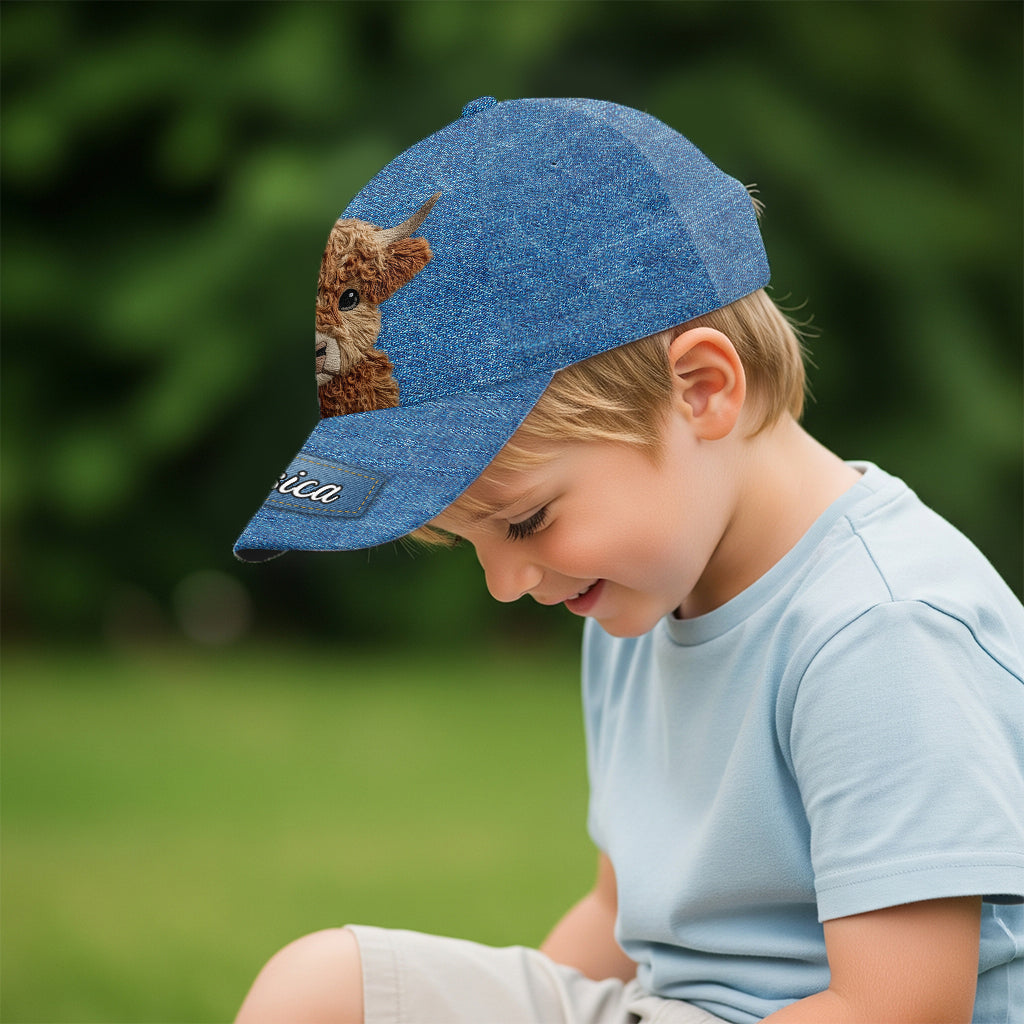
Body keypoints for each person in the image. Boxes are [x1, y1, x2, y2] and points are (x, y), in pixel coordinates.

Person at [232, 97, 1024, 1023]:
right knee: (323, 990)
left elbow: (899, 1008)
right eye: (470, 542)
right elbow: (620, 918)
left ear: (701, 390)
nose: (504, 583)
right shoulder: (635, 595)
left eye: (524, 523)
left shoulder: (878, 629)